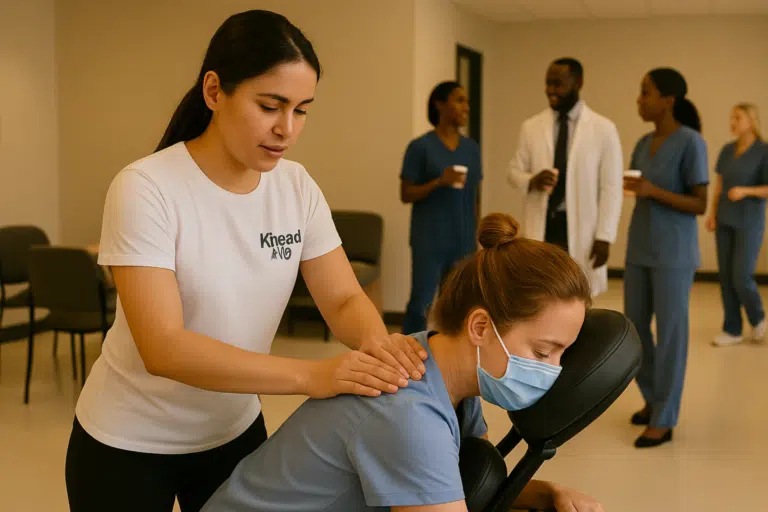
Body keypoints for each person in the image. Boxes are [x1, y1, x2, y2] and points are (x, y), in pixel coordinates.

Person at [64, 10, 429, 512]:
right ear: (214, 92)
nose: (286, 129)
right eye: (270, 105)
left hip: (233, 435)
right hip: (127, 443)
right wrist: (312, 376)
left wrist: (378, 346)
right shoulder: (146, 187)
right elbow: (163, 347)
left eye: (301, 110)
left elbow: (343, 297)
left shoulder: (296, 187)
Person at [202, 213, 604, 512]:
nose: (552, 370)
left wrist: (546, 494)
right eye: (541, 352)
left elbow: (452, 482)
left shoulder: (443, 364)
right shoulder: (409, 412)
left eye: (561, 354)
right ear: (480, 326)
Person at [623, 68, 709, 448]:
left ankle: (665, 415)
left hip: (673, 253)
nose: (639, 99)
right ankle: (654, 397)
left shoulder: (691, 143)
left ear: (668, 100)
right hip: (639, 247)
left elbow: (700, 202)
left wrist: (652, 190)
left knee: (671, 335)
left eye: (646, 92)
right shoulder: (643, 142)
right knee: (635, 332)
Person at [507, 57, 623, 297]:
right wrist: (532, 180)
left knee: (577, 294)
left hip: (581, 225)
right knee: (540, 291)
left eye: (558, 84)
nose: (551, 90)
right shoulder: (531, 126)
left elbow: (611, 188)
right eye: (548, 83)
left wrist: (605, 236)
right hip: (544, 223)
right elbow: (513, 172)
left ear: (578, 82)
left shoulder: (603, 129)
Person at [400, 81, 482, 334]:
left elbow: (475, 195)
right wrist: (439, 182)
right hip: (429, 238)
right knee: (421, 303)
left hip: (463, 239)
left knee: (457, 304)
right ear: (439, 104)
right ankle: (407, 356)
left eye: (466, 101)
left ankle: (450, 358)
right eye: (459, 100)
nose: (465, 107)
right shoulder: (420, 147)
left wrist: (477, 237)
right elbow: (406, 194)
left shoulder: (471, 149)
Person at [705, 103, 768, 346]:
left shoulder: (763, 151)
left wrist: (745, 191)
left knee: (741, 276)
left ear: (751, 121)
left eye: (737, 118)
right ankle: (732, 329)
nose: (732, 122)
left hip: (749, 222)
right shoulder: (727, 150)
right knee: (726, 277)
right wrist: (713, 213)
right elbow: (719, 185)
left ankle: (758, 317)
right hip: (724, 220)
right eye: (731, 117)